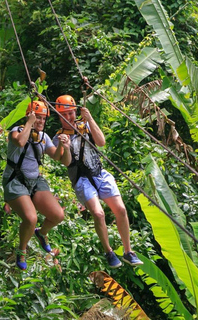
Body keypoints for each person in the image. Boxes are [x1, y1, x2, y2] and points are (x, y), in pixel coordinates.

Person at [52, 94, 143, 268]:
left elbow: (101, 142)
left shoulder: (84, 125)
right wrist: (65, 146)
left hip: (99, 173)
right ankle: (109, 252)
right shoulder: (60, 136)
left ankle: (128, 251)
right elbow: (66, 162)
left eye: (71, 113)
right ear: (59, 116)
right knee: (99, 213)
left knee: (121, 210)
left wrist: (90, 119)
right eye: (65, 114)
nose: (69, 117)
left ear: (75, 112)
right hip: (81, 179)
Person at [2, 100, 70, 270]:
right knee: (31, 218)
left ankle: (42, 233)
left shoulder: (43, 137)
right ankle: (22, 250)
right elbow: (20, 142)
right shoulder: (16, 132)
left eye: (43, 119)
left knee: (57, 215)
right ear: (30, 116)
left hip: (35, 181)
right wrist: (29, 123)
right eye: (38, 118)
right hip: (15, 180)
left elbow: (56, 156)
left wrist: (62, 144)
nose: (41, 122)